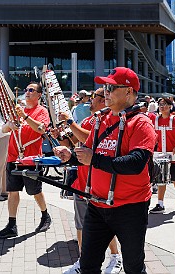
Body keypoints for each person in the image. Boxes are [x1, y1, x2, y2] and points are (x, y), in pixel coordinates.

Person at [55, 67, 156, 273]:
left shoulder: (141, 123)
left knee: (133, 267)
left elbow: (136, 163)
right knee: (88, 265)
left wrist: (94, 159)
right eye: (104, 87)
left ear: (128, 91)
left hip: (130, 207)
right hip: (97, 204)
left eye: (110, 87)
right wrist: (71, 156)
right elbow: (90, 153)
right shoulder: (102, 120)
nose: (105, 92)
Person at [55, 88, 123, 274]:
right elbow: (75, 142)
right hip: (83, 180)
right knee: (81, 224)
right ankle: (82, 261)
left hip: (99, 183)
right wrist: (62, 139)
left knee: (104, 226)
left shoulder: (108, 121)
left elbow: (89, 140)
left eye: (95, 97)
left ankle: (115, 257)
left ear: (104, 101)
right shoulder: (87, 120)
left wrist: (69, 122)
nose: (90, 101)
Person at [0, 82, 52, 238]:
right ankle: (12, 225)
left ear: (39, 95)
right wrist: (9, 125)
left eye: (31, 90)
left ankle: (45, 215)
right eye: (26, 89)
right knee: (12, 192)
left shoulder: (41, 111)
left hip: (31, 159)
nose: (27, 92)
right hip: (13, 156)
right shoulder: (19, 110)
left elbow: (41, 129)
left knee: (35, 191)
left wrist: (24, 116)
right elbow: (4, 130)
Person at [149, 97, 175, 213]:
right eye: (160, 104)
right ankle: (160, 204)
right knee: (161, 179)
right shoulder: (155, 120)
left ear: (170, 107)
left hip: (174, 154)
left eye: (165, 104)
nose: (162, 106)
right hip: (161, 155)